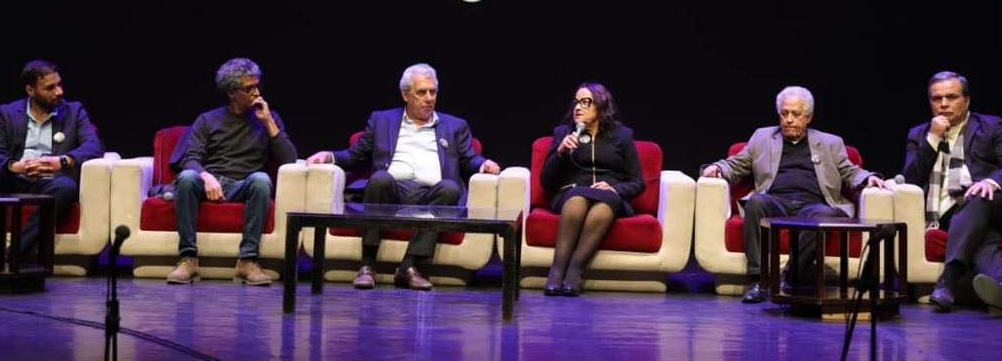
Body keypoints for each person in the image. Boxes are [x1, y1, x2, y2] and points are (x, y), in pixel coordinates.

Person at [306, 62, 500, 291]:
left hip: (432, 195)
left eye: (433, 92)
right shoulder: (382, 120)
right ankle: (367, 265)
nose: (429, 98)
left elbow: (468, 157)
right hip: (392, 192)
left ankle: (408, 267)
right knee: (380, 179)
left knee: (450, 188)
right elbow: (355, 155)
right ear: (406, 95)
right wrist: (328, 156)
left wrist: (484, 164)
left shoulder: (455, 125)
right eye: (422, 92)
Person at [702, 85, 885, 304]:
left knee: (826, 215)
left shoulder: (830, 143)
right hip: (775, 200)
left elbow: (849, 171)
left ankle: (788, 277)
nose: (789, 119)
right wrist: (718, 168)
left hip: (813, 204)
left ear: (808, 117)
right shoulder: (762, 137)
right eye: (784, 113)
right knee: (755, 203)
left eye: (796, 114)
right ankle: (758, 281)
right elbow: (737, 164)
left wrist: (867, 178)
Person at [901, 70, 1002, 317]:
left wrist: (991, 182)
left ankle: (948, 279)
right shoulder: (919, 134)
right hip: (951, 214)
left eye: (951, 97)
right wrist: (933, 139)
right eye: (936, 99)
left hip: (998, 205)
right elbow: (910, 181)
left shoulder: (991, 126)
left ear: (966, 100)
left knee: (977, 196)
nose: (943, 104)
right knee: (984, 237)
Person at [166, 58, 298, 285]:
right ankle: (188, 259)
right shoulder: (207, 120)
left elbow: (290, 159)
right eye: (249, 88)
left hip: (243, 185)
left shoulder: (268, 119)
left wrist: (268, 122)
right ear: (231, 92)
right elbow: (191, 159)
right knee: (187, 178)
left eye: (258, 86)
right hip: (211, 184)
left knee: (261, 179)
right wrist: (206, 177)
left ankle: (247, 261)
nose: (257, 93)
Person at [0, 59, 105, 265]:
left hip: (49, 180)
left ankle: (14, 252)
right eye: (50, 88)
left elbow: (94, 146)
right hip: (14, 177)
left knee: (66, 187)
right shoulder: (8, 113)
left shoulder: (74, 112)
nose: (59, 92)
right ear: (31, 90)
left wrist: (61, 161)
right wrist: (17, 166)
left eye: (59, 84)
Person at [539, 82, 644, 296]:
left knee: (604, 204)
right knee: (577, 199)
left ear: (601, 105)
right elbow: (546, 181)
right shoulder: (563, 133)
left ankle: (574, 272)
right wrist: (560, 152)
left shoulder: (622, 135)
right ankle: (556, 272)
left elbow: (638, 182)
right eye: (576, 102)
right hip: (571, 194)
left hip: (610, 197)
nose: (578, 107)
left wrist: (615, 188)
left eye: (585, 102)